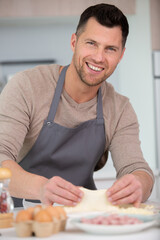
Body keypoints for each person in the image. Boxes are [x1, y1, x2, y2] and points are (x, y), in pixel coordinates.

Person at [0, 3, 154, 208]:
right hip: (20, 217)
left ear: (121, 55)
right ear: (74, 42)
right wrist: (41, 188)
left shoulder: (120, 109)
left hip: (83, 218)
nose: (99, 57)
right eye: (91, 43)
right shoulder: (27, 86)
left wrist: (138, 184)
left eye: (110, 49)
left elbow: (136, 168)